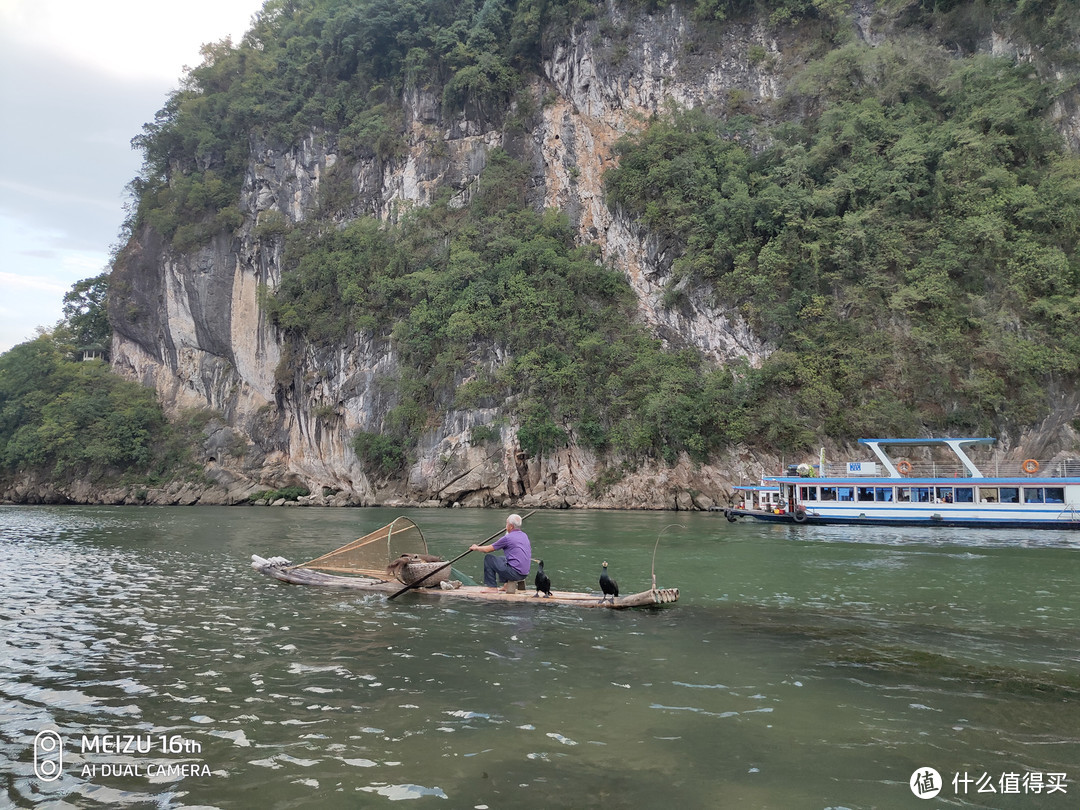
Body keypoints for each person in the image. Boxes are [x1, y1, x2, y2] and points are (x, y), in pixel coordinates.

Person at [470, 514, 531, 591]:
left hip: (515, 574)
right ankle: (506, 585)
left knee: (489, 559)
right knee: (502, 559)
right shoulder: (524, 535)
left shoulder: (507, 538)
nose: (506, 526)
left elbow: (487, 549)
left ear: (511, 526)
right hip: (524, 574)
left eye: (507, 523)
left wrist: (476, 548)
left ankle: (492, 587)